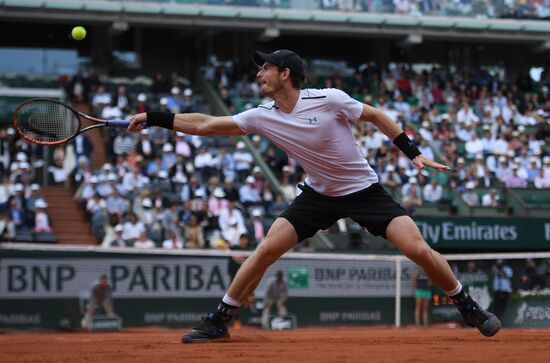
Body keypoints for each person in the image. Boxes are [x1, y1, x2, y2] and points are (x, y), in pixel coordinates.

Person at [128, 49, 501, 343]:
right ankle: (221, 320)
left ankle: (466, 306)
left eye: (265, 68)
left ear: (284, 73)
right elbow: (207, 125)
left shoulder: (329, 99)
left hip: (363, 192)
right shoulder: (262, 115)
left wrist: (413, 152)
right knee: (265, 251)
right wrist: (155, 117)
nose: (258, 75)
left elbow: (376, 115)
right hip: (318, 194)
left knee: (417, 250)